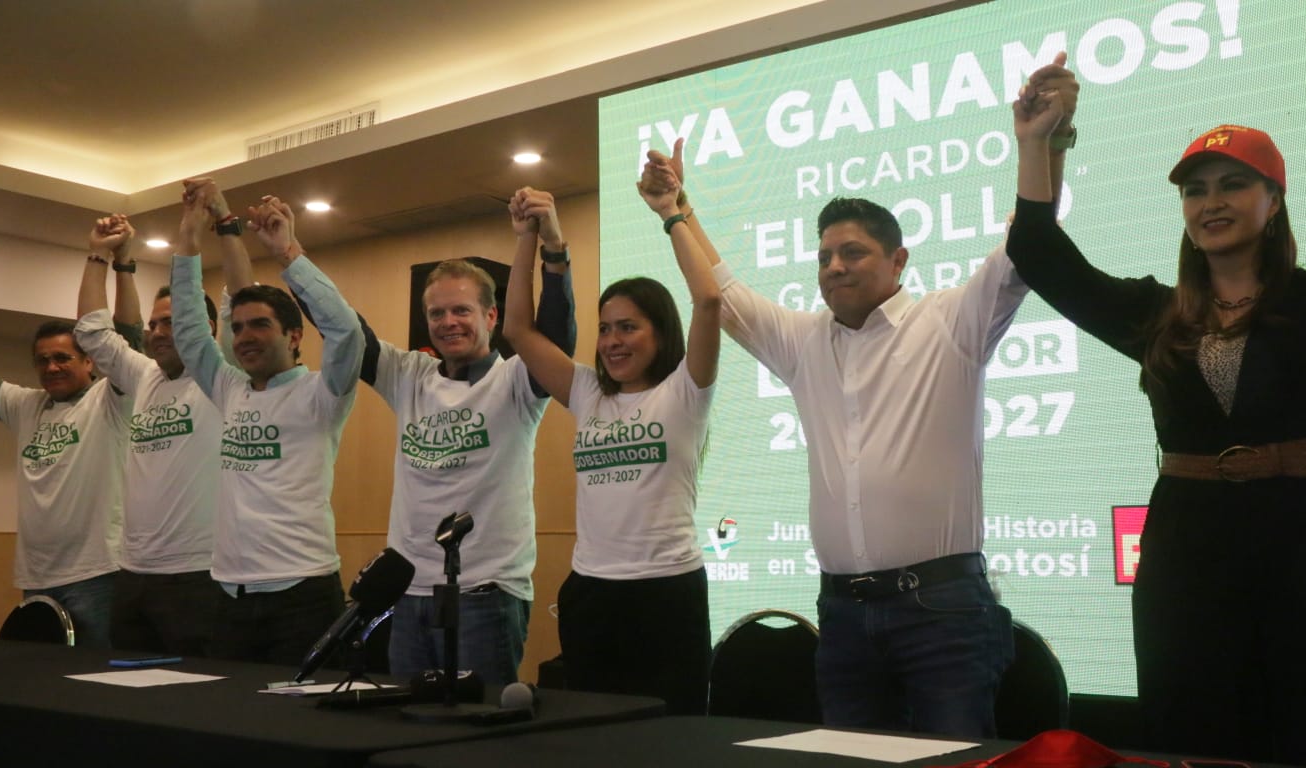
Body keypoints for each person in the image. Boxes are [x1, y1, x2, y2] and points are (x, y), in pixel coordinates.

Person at [643, 54, 1079, 735]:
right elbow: (723, 295)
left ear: (898, 261)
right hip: (842, 615)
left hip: (944, 610)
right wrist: (675, 211)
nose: (834, 266)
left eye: (852, 252)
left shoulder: (952, 322)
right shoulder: (804, 341)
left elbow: (1028, 246)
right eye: (823, 256)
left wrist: (1039, 143)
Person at [1008, 98, 1306, 762]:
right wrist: (1038, 141)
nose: (1212, 201)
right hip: (1187, 553)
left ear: (1274, 199)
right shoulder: (1156, 314)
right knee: (1191, 726)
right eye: (1195, 190)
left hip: (1303, 541)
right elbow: (1036, 251)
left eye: (1233, 183)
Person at [502, 174, 720, 715]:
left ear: (661, 332)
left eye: (628, 327)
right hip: (592, 593)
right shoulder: (585, 391)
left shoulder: (685, 391)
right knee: (596, 737)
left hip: (667, 593)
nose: (612, 342)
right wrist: (529, 235)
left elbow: (711, 299)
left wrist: (671, 214)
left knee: (672, 740)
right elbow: (517, 330)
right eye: (604, 329)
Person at [340, 186, 575, 684]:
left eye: (462, 310)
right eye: (437, 313)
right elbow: (343, 328)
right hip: (407, 594)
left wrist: (548, 246)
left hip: (487, 595)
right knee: (405, 732)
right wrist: (291, 255)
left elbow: (553, 337)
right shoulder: (409, 376)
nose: (448, 322)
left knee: (480, 745)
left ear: (492, 317)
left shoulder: (513, 379)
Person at [170, 189, 364, 666]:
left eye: (259, 325)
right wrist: (189, 241)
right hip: (229, 593)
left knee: (302, 724)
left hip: (304, 591)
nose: (245, 337)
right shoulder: (230, 388)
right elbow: (191, 333)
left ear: (294, 336)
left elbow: (347, 332)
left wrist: (288, 253)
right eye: (237, 328)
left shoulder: (323, 393)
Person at [73, 181, 249, 655]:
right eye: (153, 324)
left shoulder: (221, 376)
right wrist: (97, 257)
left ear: (204, 329)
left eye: (170, 323)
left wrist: (217, 224)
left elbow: (244, 297)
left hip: (198, 573)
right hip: (133, 573)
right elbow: (93, 333)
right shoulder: (144, 375)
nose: (156, 333)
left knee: (194, 700)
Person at [0, 234, 139, 648]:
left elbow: (129, 338)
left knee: (95, 683)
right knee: (43, 684)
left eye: (63, 358)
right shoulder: (26, 406)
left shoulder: (110, 398)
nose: (51, 367)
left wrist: (122, 263)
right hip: (37, 576)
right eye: (42, 360)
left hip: (99, 574)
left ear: (90, 360)